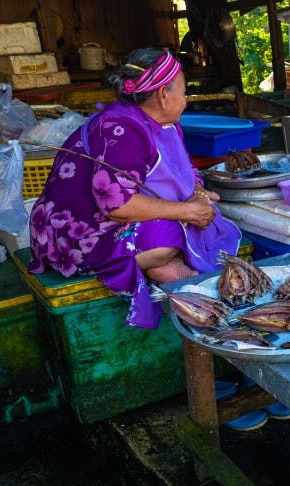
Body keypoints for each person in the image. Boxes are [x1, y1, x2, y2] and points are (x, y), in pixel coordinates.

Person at [28, 48, 241, 329]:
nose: (185, 98)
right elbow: (117, 206)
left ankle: (172, 274)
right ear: (164, 95)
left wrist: (197, 192)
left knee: (202, 221)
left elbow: (183, 169)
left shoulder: (165, 124)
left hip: (114, 219)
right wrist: (186, 209)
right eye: (183, 90)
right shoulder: (120, 128)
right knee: (172, 233)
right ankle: (167, 268)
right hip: (76, 233)